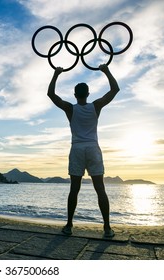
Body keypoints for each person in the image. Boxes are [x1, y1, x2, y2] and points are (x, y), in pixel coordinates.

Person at [47, 64, 119, 238]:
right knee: (100, 189)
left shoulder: (71, 108)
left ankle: (69, 225)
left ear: (74, 95)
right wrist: (106, 70)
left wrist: (56, 73)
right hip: (93, 148)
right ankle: (107, 228)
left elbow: (51, 94)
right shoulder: (95, 106)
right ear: (88, 94)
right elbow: (115, 89)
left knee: (74, 189)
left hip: (77, 149)